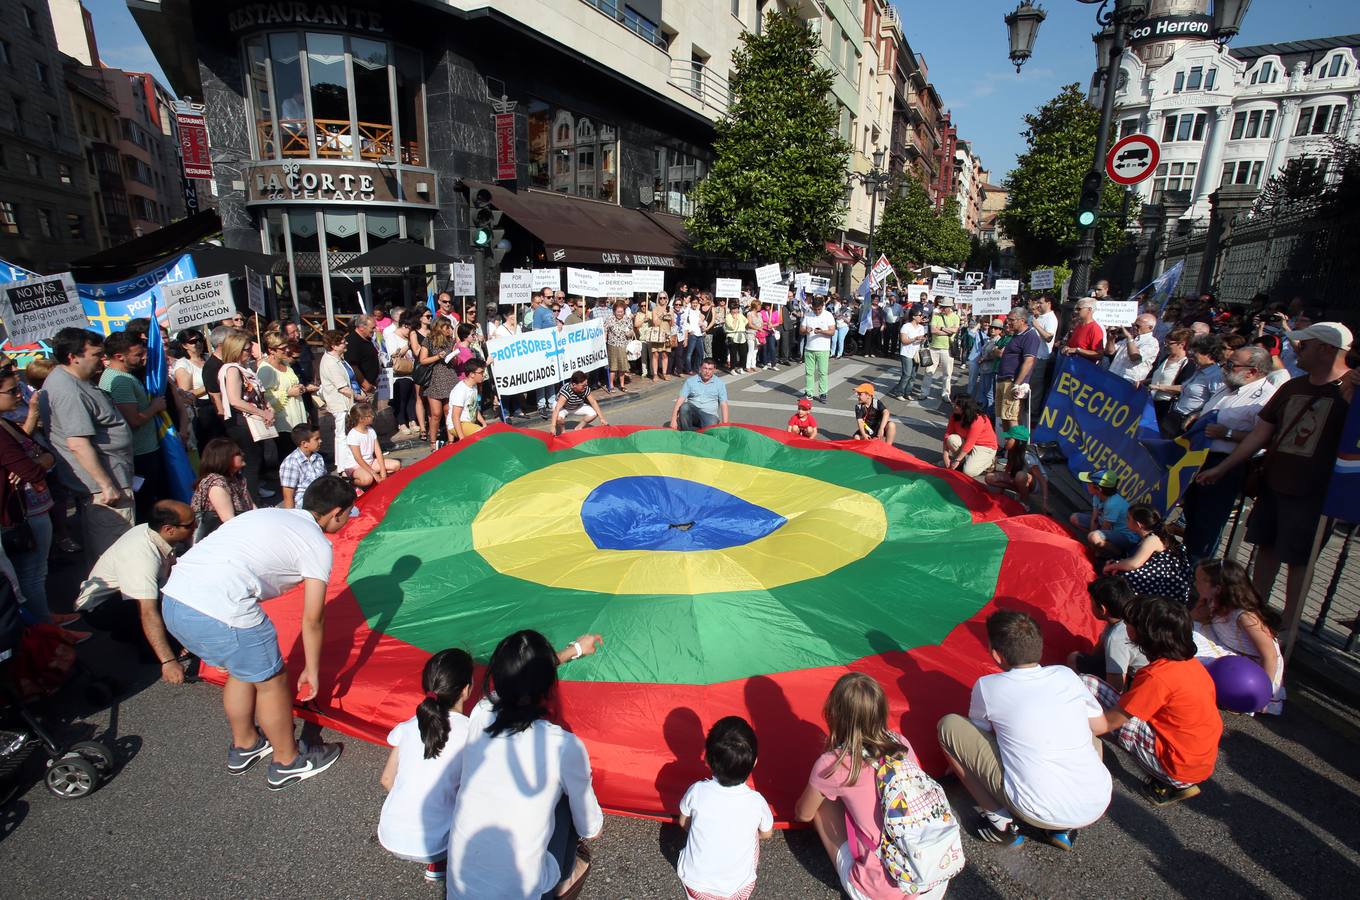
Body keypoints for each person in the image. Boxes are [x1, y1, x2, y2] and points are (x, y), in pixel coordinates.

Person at [161, 475, 356, 790]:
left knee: (243, 670)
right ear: (336, 513)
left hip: (174, 602)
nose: (347, 520)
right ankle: (287, 761)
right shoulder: (316, 543)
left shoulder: (266, 514)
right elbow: (313, 617)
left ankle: (246, 743)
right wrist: (312, 670)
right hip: (223, 610)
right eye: (348, 514)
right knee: (272, 682)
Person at [1196, 322, 1355, 654]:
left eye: (1304, 345)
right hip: (1273, 483)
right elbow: (1259, 435)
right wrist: (1225, 467)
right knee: (1265, 549)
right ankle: (1253, 616)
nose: (1295, 352)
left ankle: (1290, 628)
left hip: (1313, 493)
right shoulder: (1292, 387)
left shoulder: (1351, 393)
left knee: (1300, 560)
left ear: (1327, 349)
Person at [447, 630, 605, 900]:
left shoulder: (481, 711)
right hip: (524, 892)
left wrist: (574, 650)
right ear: (547, 686)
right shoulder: (563, 746)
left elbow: (519, 678)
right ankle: (566, 879)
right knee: (568, 800)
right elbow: (592, 829)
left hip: (461, 889)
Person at [937, 610, 1111, 850]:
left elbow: (979, 734)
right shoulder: (1066, 675)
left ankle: (1001, 823)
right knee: (1088, 732)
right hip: (1096, 801)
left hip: (1033, 807)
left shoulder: (988, 686)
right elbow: (1100, 726)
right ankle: (1062, 829)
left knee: (949, 726)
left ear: (996, 655)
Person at [796, 673, 953, 899]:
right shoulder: (900, 743)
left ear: (834, 714)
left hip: (883, 890)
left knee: (820, 806)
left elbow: (803, 813)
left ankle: (858, 877)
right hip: (933, 875)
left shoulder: (833, 764)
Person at [1083, 595, 1222, 806]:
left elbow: (1108, 723)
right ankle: (1175, 781)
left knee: (1087, 684)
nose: (1125, 625)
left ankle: (1172, 781)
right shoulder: (1191, 665)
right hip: (1197, 760)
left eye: (1130, 623)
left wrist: (1074, 721)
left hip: (1177, 764)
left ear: (1145, 633)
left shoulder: (1156, 677)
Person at [74, 499, 196, 683]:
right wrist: (168, 660)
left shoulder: (152, 532)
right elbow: (147, 611)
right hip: (99, 609)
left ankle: (128, 632)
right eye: (189, 524)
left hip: (116, 596)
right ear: (169, 529)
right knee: (153, 607)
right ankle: (149, 652)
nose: (195, 526)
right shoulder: (142, 558)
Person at [378, 648, 474, 882]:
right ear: (466, 689)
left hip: (390, 837)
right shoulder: (471, 732)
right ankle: (445, 861)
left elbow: (386, 780)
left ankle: (437, 860)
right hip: (435, 845)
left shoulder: (408, 727)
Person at [44, 327, 135, 563]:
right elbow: (77, 443)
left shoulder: (75, 380)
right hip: (106, 488)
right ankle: (120, 598)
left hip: (114, 476)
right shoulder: (68, 390)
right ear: (73, 357)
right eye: (96, 354)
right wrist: (106, 485)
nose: (102, 360)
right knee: (118, 554)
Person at [1179, 345, 1277, 562]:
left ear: (1252, 371)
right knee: (1192, 515)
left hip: (1225, 464)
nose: (1225, 368)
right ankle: (1186, 567)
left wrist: (1229, 433)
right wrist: (1197, 415)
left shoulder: (1266, 397)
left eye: (1232, 365)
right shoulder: (1229, 386)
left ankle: (1199, 571)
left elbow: (1265, 438)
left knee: (1208, 522)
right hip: (1199, 457)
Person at [676, 716, 774, 900]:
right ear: (754, 762)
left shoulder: (697, 790)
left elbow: (683, 822)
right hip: (737, 890)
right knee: (753, 833)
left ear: (707, 759)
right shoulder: (756, 801)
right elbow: (767, 834)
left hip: (695, 886)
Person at [0, 367, 61, 624]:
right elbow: (32, 470)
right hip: (23, 510)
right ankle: (44, 632)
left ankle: (44, 620)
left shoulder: (5, 423)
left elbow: (38, 454)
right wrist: (40, 461)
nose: (19, 394)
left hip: (33, 505)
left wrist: (40, 459)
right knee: (32, 573)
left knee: (35, 571)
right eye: (12, 390)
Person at [1191, 558, 1284, 714]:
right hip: (1230, 650)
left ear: (1218, 588)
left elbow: (1270, 655)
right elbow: (1193, 619)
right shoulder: (1213, 601)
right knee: (1186, 634)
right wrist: (1197, 611)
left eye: (1199, 581)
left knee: (1189, 657)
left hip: (1252, 670)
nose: (1194, 583)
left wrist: (1263, 690)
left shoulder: (1244, 616)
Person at [96, 331, 166, 524]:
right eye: (137, 355)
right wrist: (155, 407)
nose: (143, 357)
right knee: (145, 503)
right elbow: (133, 420)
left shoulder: (121, 377)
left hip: (143, 449)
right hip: (141, 453)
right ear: (119, 356)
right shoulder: (121, 381)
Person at [217, 332, 275, 503]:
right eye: (246, 350)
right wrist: (262, 412)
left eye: (250, 349)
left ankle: (253, 494)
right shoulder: (232, 369)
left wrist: (267, 408)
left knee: (255, 460)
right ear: (235, 350)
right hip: (242, 423)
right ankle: (253, 502)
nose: (249, 352)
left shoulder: (243, 367)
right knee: (250, 461)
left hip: (251, 419)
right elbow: (235, 400)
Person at [1065, 576, 1146, 692]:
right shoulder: (1124, 618)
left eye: (1091, 601)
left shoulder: (1116, 638)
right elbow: (1098, 651)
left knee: (1078, 667)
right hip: (1148, 672)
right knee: (1076, 658)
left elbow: (1116, 687)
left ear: (1102, 609)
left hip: (1138, 683)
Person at [1102, 504, 1193, 605]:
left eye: (1128, 518)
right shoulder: (1153, 535)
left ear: (1138, 524)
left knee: (1121, 575)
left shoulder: (1152, 539)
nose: (1126, 520)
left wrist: (1111, 567)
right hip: (1162, 578)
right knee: (1118, 565)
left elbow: (1134, 564)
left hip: (1164, 586)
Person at [257, 332, 313, 476]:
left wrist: (299, 387)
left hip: (297, 412)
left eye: (287, 347)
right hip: (284, 420)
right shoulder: (266, 369)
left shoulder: (286, 363)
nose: (287, 350)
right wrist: (288, 393)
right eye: (282, 348)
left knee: (302, 452)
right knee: (288, 455)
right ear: (271, 350)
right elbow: (264, 396)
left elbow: (292, 382)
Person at [191, 438, 256, 541]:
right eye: (238, 453)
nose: (243, 454)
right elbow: (229, 521)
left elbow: (251, 506)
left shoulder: (236, 478)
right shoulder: (216, 484)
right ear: (225, 458)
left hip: (242, 529)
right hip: (221, 539)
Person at [1163, 334, 1226, 435]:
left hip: (1187, 422)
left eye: (1195, 352)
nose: (1191, 355)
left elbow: (1216, 401)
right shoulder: (1198, 369)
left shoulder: (1216, 376)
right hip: (1175, 415)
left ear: (1208, 355)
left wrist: (1197, 415)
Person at [1068, 469, 1138, 557]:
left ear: (1098, 489)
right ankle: (1101, 546)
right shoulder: (1097, 496)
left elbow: (1105, 529)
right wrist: (1092, 540)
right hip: (1108, 527)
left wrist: (1093, 540)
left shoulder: (1112, 504)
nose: (1087, 485)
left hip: (1125, 536)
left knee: (1094, 537)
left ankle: (1120, 554)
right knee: (1074, 518)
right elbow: (1094, 518)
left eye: (1089, 484)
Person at [995, 308, 1042, 435]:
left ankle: (1016, 451)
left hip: (1012, 382)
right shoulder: (1015, 335)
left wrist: (1017, 384)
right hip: (1003, 380)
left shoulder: (1030, 335)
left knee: (1012, 419)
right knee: (1004, 417)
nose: (1008, 322)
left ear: (1022, 320)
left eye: (1011, 320)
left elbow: (1029, 361)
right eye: (1008, 319)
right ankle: (1008, 447)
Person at [984, 425, 1048, 513]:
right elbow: (1007, 471)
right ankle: (1021, 491)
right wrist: (1001, 492)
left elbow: (1042, 479)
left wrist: (1045, 503)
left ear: (1019, 442)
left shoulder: (1027, 456)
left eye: (1009, 439)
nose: (1005, 441)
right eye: (1006, 438)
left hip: (1035, 484)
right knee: (989, 477)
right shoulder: (1010, 451)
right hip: (1020, 479)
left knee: (1020, 476)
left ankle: (1025, 503)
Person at [318, 330, 356, 468]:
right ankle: (343, 465)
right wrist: (359, 396)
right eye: (342, 342)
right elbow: (342, 388)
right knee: (342, 435)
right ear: (333, 346)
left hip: (346, 403)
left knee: (346, 433)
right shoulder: (330, 362)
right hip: (340, 404)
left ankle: (347, 463)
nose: (345, 343)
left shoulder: (338, 359)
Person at [420, 318, 461, 441]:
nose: (450, 329)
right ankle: (433, 441)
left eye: (450, 327)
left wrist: (454, 356)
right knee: (436, 414)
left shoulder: (451, 341)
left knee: (448, 412)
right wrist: (437, 356)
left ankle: (451, 441)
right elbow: (422, 360)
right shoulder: (429, 340)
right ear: (439, 327)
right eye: (447, 327)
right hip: (435, 379)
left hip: (449, 377)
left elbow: (455, 362)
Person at [940, 395, 999, 478]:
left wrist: (957, 460)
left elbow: (970, 442)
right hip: (968, 442)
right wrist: (945, 456)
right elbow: (947, 435)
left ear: (965, 407)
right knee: (951, 439)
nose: (954, 406)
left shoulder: (978, 419)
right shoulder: (955, 416)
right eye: (954, 403)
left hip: (985, 446)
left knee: (968, 472)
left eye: (957, 404)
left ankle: (990, 462)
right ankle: (964, 460)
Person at [172, 329, 212, 450]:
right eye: (193, 341)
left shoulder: (208, 357)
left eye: (200, 340)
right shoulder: (183, 364)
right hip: (202, 409)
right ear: (184, 345)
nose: (198, 343)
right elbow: (186, 394)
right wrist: (210, 386)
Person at [343, 402, 399, 488]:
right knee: (367, 479)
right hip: (355, 466)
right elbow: (358, 459)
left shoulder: (371, 430)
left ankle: (374, 476)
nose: (372, 416)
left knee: (396, 465)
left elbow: (378, 451)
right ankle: (352, 483)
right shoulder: (353, 435)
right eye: (369, 416)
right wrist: (373, 473)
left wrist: (383, 472)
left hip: (370, 462)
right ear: (361, 419)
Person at [1147, 328, 1195, 428]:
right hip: (1151, 401)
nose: (1166, 346)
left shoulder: (1188, 364)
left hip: (1165, 405)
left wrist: (1158, 387)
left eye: (1170, 343)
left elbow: (1183, 387)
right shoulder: (1167, 358)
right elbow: (1159, 377)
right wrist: (1143, 381)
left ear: (1181, 344)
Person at [671, 358, 730, 432]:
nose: (707, 372)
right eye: (705, 368)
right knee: (684, 406)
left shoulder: (720, 384)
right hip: (693, 413)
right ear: (700, 368)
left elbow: (724, 404)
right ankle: (687, 433)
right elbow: (680, 400)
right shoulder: (690, 381)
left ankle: (697, 430)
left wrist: (725, 425)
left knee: (711, 426)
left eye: (710, 369)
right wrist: (673, 420)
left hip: (709, 415)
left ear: (714, 370)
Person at [278, 424, 327, 510]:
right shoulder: (291, 463)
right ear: (304, 443)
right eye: (317, 439)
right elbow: (288, 496)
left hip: (322, 501)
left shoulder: (318, 457)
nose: (321, 441)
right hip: (305, 507)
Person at [385, 315, 419, 436]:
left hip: (411, 372)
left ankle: (412, 420)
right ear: (405, 326)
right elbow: (394, 355)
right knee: (401, 399)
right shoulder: (391, 337)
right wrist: (408, 345)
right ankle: (401, 422)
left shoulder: (410, 337)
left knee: (412, 397)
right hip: (398, 374)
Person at [923, 297, 961, 406]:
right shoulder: (936, 316)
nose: (942, 308)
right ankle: (924, 392)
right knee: (929, 371)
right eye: (941, 307)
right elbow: (933, 330)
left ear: (949, 308)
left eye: (944, 307)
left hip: (947, 348)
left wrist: (942, 328)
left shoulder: (955, 317)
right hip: (934, 347)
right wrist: (947, 330)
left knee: (947, 373)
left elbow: (955, 330)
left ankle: (945, 394)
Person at [1107, 313, 1160, 387]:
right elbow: (1110, 352)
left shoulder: (1152, 343)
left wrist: (1129, 338)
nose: (1134, 327)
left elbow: (1134, 357)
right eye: (1133, 325)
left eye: (1138, 326)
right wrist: (1111, 338)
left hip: (1126, 383)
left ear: (1150, 328)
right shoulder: (1130, 338)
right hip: (1112, 376)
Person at [800, 296, 836, 402]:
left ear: (823, 306)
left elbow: (832, 332)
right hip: (809, 348)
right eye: (815, 309)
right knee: (809, 373)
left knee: (822, 373)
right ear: (812, 307)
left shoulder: (828, 315)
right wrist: (806, 330)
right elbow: (801, 330)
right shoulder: (808, 315)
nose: (817, 311)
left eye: (819, 309)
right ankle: (809, 393)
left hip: (823, 349)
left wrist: (821, 331)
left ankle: (823, 393)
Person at [445, 357, 489, 444]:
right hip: (458, 424)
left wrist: (484, 423)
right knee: (484, 435)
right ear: (472, 374)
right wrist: (462, 438)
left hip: (468, 424)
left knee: (489, 431)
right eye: (481, 372)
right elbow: (455, 416)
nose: (483, 375)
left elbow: (473, 408)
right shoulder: (461, 390)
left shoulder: (474, 386)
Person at [553, 370, 607, 436]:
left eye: (586, 384)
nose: (585, 387)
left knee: (594, 413)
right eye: (583, 385)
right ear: (574, 385)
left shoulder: (585, 388)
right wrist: (553, 426)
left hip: (577, 405)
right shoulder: (566, 390)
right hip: (563, 408)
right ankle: (563, 431)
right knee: (559, 419)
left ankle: (579, 428)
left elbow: (593, 402)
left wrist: (602, 418)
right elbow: (557, 408)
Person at [889, 306, 927, 402]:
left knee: (913, 375)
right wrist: (915, 338)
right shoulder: (906, 326)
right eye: (920, 315)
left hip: (916, 353)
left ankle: (908, 393)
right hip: (906, 353)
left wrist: (923, 340)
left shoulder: (922, 327)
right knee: (907, 374)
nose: (922, 317)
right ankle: (899, 392)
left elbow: (922, 341)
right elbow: (904, 341)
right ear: (914, 316)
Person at [345, 315, 380, 400]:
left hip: (372, 385)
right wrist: (365, 384)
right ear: (361, 327)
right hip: (362, 389)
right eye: (372, 328)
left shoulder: (367, 338)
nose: (375, 330)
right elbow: (353, 366)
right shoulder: (352, 341)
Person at [1061, 298, 1106, 364]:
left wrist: (1077, 350)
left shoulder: (1095, 329)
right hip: (1071, 366)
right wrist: (1066, 348)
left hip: (1083, 369)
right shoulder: (1078, 325)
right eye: (1075, 309)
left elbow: (1099, 355)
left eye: (1079, 309)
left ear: (1089, 310)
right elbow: (1071, 345)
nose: (1075, 311)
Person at [604, 302, 635, 393]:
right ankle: (611, 385)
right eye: (618, 312)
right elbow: (605, 329)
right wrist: (605, 338)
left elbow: (631, 331)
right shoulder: (610, 319)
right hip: (612, 345)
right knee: (613, 367)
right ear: (614, 311)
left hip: (623, 345)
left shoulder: (627, 319)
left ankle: (622, 385)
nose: (620, 313)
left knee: (622, 366)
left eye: (621, 312)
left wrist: (629, 333)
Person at [723, 300, 748, 373]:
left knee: (743, 353)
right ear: (730, 309)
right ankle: (732, 368)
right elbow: (732, 327)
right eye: (733, 309)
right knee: (733, 353)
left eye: (737, 308)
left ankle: (741, 367)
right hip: (732, 336)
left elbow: (746, 321)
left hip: (741, 336)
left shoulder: (740, 315)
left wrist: (742, 325)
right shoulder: (728, 317)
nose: (735, 310)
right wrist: (735, 319)